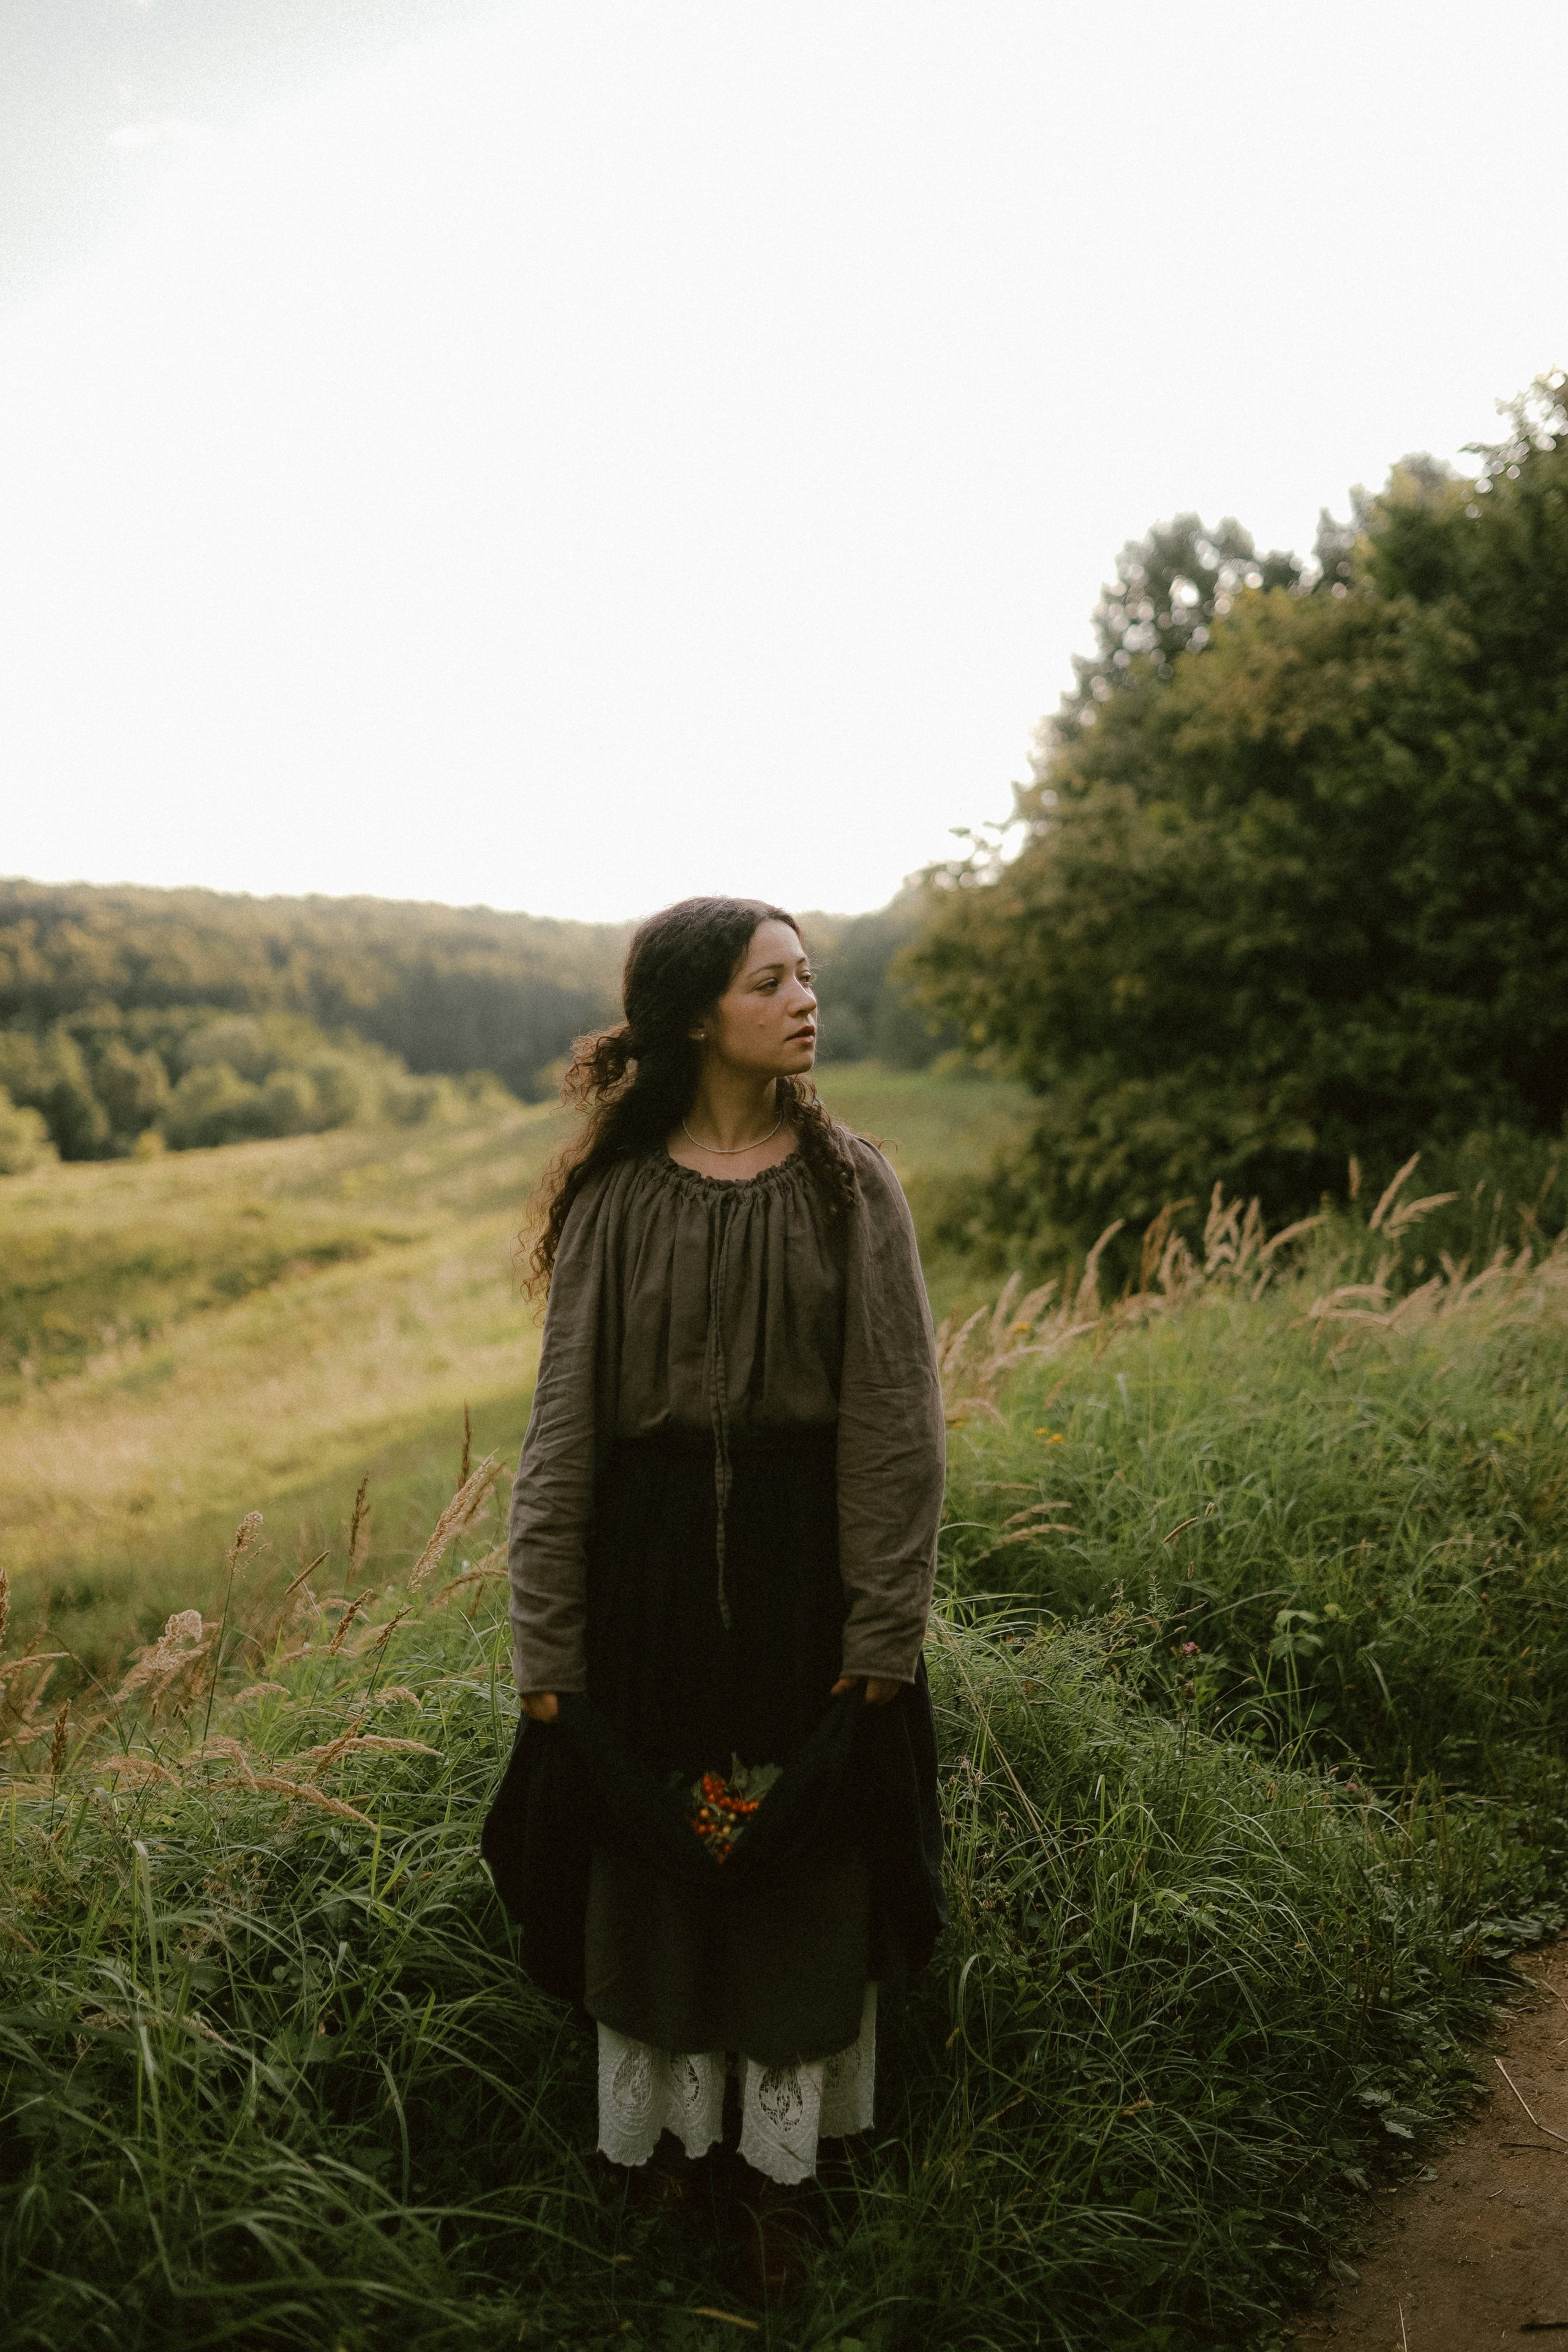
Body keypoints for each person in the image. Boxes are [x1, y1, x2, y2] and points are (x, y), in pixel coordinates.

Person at [483, 896, 946, 2294]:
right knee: (659, 1859)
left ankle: (779, 2184)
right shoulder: (618, 1201)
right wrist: (546, 1643)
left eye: (808, 975)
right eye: (770, 980)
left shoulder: (849, 1187)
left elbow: (894, 1428)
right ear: (697, 1015)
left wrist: (882, 1631)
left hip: (809, 1576)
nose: (805, 1000)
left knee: (801, 1858)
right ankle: (673, 2167)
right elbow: (562, 1431)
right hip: (649, 1584)